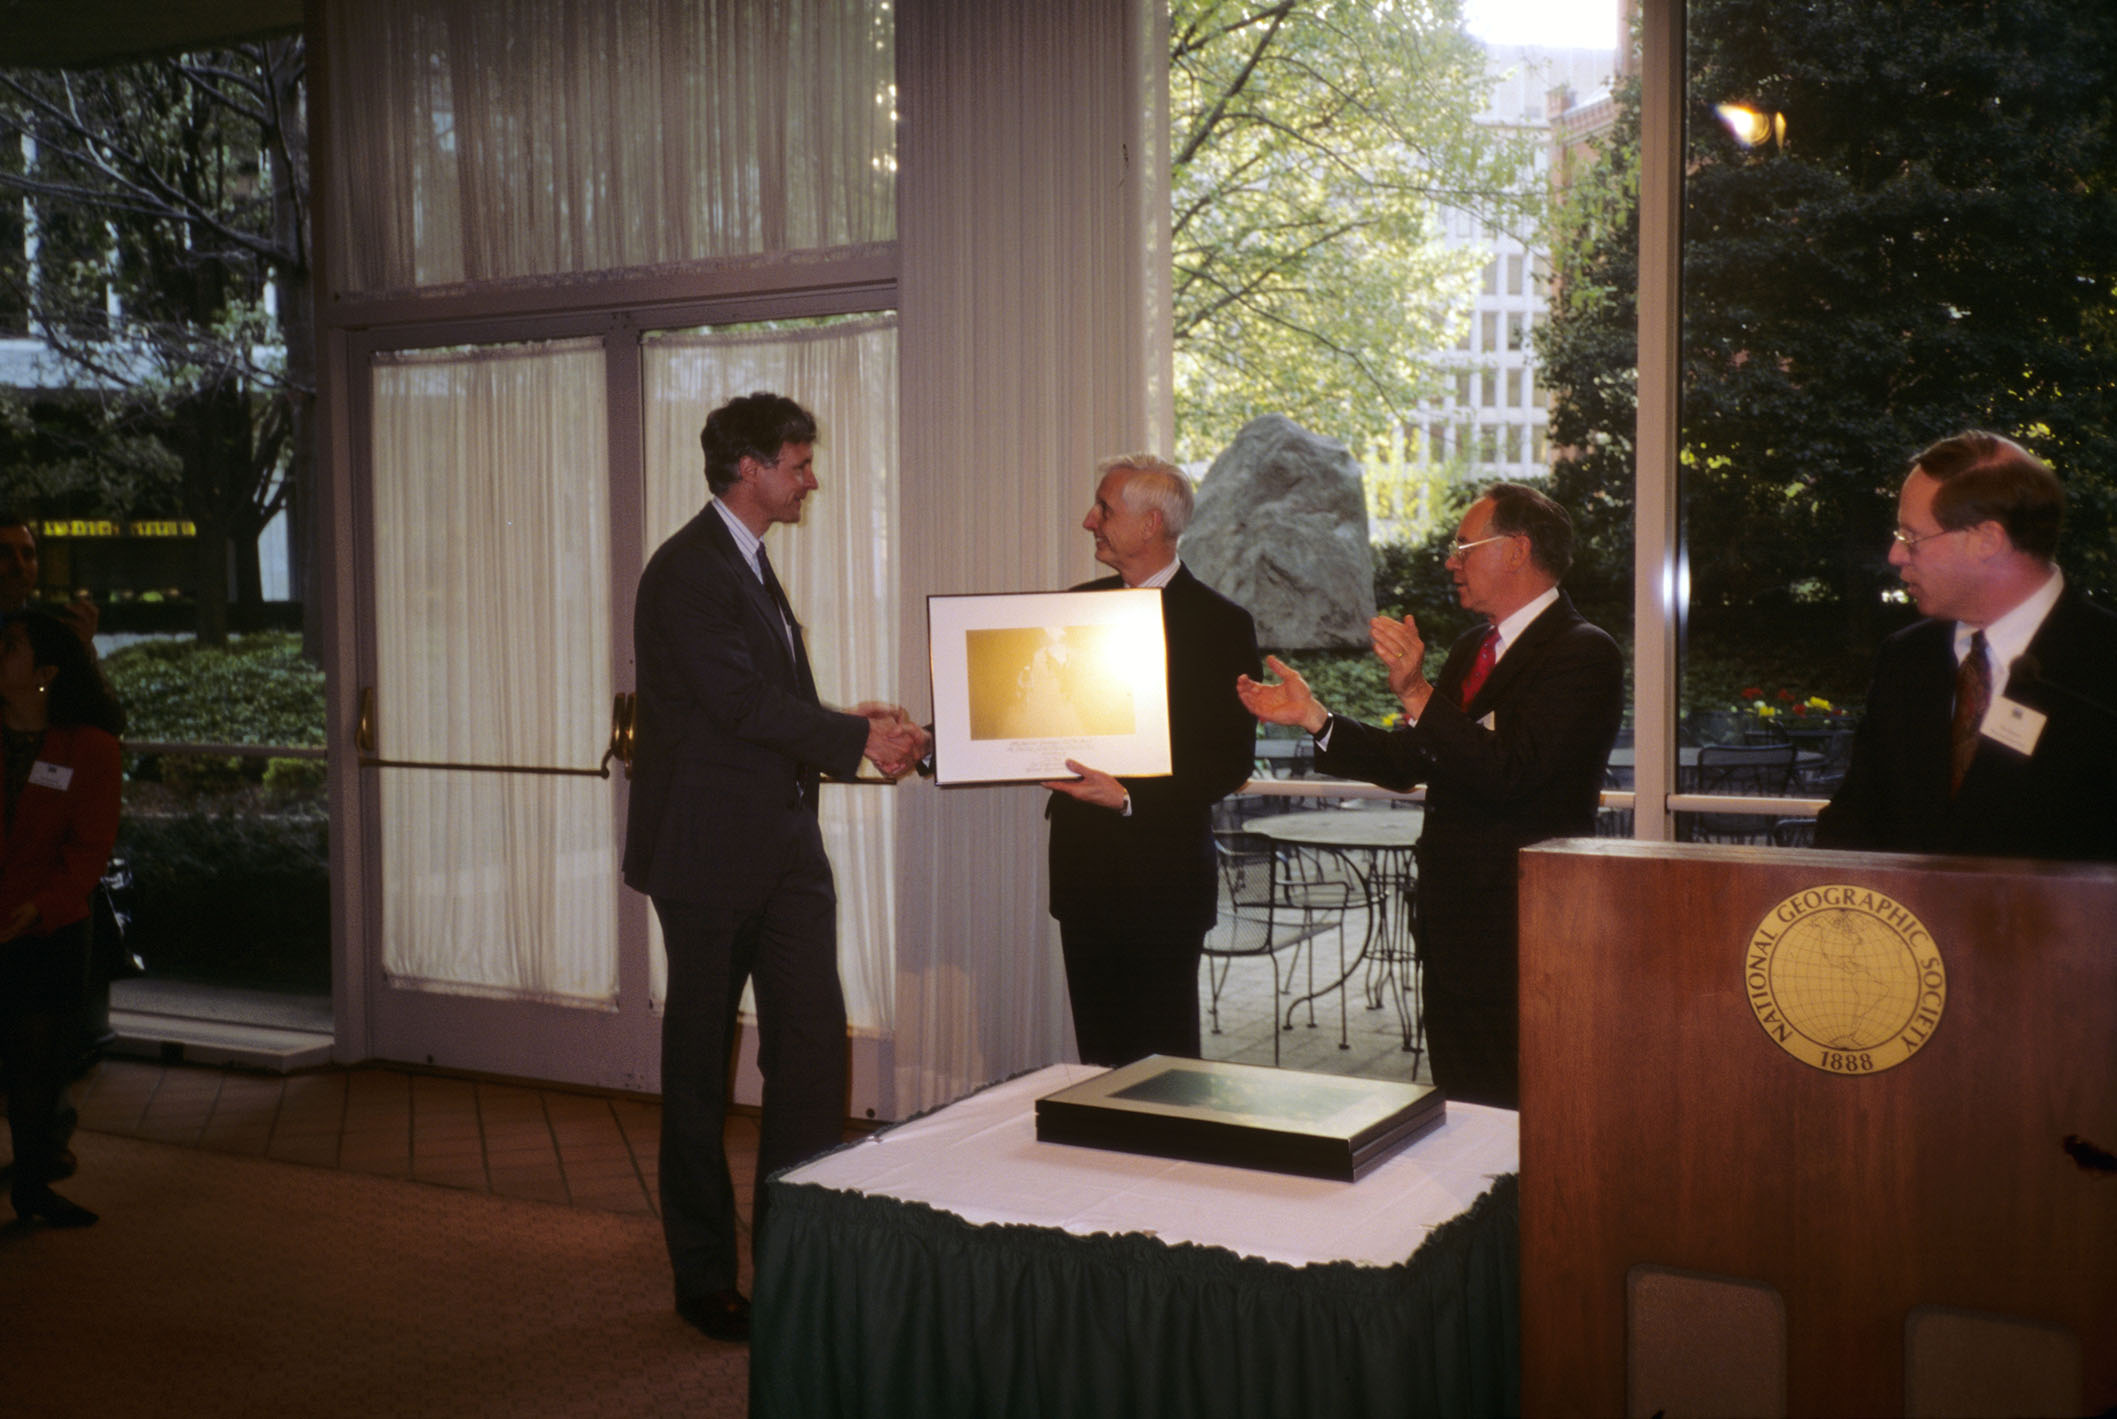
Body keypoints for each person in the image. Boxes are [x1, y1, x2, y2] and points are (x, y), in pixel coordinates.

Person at [622, 391, 924, 1344]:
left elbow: (760, 702)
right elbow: (737, 705)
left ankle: (798, 1258)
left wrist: (847, 723)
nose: (810, 480)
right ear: (748, 468)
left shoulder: (745, 561)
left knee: (811, 1048)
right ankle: (704, 1275)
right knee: (699, 1076)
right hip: (706, 857)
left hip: (785, 851)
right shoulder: (687, 568)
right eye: (798, 465)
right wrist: (856, 738)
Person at [1237, 482, 1623, 1110]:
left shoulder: (1583, 652)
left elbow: (1510, 773)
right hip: (1453, 928)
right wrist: (1314, 717)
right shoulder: (1474, 649)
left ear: (1518, 550)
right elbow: (1410, 761)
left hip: (1526, 931)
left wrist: (1416, 693)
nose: (1450, 561)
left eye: (1464, 547)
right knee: (1461, 1106)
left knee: (1517, 1111)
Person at [1039, 455, 1260, 1067]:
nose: (1089, 521)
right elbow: (1027, 712)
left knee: (1166, 1071)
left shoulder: (1222, 624)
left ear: (1150, 524)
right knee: (1099, 1062)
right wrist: (931, 744)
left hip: (1165, 883)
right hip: (1084, 877)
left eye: (1104, 509)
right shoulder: (1073, 608)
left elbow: (1229, 760)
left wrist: (1130, 797)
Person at [1816, 431, 2117, 860]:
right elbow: (1853, 822)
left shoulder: (2103, 666)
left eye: (1911, 536)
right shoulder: (1906, 659)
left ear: (1986, 541)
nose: (1895, 554)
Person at [1, 607, 125, 1227]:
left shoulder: (92, 748)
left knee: (36, 1071)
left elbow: (88, 849)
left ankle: (32, 1186)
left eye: (11, 646)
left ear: (46, 672)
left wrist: (38, 908)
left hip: (47, 928)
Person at [1, 515, 100, 641]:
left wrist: (78, 646)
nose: (20, 565)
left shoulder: (51, 633)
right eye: (4, 554)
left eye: (27, 555)